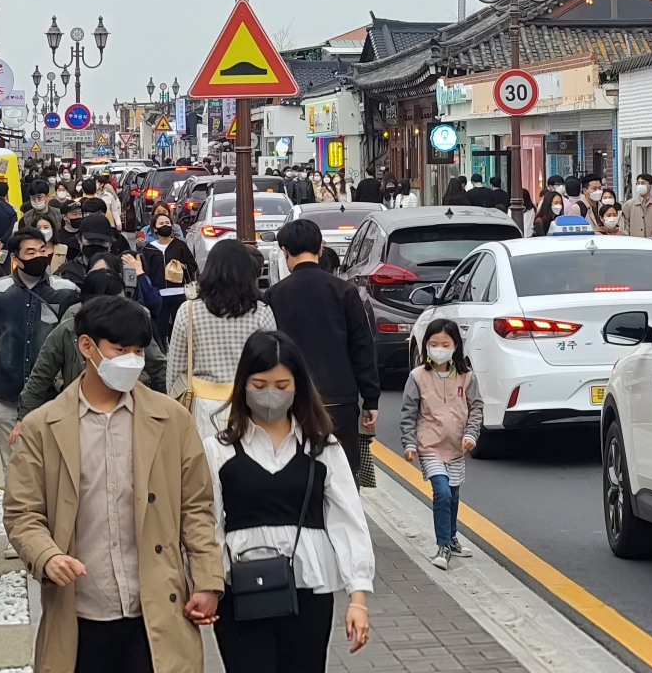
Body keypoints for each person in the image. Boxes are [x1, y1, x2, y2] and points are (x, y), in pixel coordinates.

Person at [3, 295, 225, 673]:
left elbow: (197, 508)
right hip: (80, 611)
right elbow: (22, 512)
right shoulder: (45, 426)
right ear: (86, 346)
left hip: (156, 608)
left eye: (138, 351)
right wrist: (47, 555)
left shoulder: (172, 419)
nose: (131, 361)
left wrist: (207, 580)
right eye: (120, 350)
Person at [204, 331, 374, 670]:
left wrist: (358, 599)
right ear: (243, 385)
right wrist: (208, 584)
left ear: (298, 386)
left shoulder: (322, 448)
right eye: (260, 384)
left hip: (310, 588)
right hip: (240, 590)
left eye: (282, 386)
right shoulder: (218, 448)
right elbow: (207, 524)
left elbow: (348, 521)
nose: (271, 394)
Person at [0, 226, 78, 555]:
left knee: (55, 466)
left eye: (43, 251)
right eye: (30, 252)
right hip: (8, 394)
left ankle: (56, 532)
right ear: (15, 259)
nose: (38, 257)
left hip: (55, 397)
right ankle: (20, 535)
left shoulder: (66, 292)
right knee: (14, 467)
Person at [264, 219, 379, 474]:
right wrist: (370, 398)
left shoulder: (274, 295)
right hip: (340, 399)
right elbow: (362, 346)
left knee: (298, 471)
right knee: (344, 476)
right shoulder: (344, 291)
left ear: (285, 251)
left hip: (293, 399)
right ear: (321, 248)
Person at [17, 255, 166, 424]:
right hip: (79, 411)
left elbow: (159, 367)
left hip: (132, 408)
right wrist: (24, 418)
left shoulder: (135, 323)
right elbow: (41, 375)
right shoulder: (68, 328)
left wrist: (172, 405)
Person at [168, 240, 277, 442]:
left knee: (206, 468)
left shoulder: (189, 311)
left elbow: (175, 368)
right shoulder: (261, 311)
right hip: (249, 403)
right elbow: (272, 364)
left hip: (202, 405)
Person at [399, 319, 481, 569]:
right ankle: (442, 545)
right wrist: (409, 443)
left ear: (455, 346)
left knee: (454, 495)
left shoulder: (466, 377)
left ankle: (452, 538)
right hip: (429, 446)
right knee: (442, 493)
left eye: (445, 344)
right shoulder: (418, 376)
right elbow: (408, 412)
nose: (439, 349)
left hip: (456, 448)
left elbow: (476, 407)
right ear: (426, 346)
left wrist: (471, 434)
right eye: (433, 344)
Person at [141, 211, 198, 346]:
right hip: (159, 295)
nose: (165, 226)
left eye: (167, 223)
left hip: (179, 293)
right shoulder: (149, 249)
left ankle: (178, 352)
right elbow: (145, 271)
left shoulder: (180, 245)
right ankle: (162, 353)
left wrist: (184, 267)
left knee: (180, 328)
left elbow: (192, 265)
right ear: (155, 228)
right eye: (161, 223)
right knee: (160, 328)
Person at [54, 213, 121, 289]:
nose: (96, 245)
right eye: (90, 241)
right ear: (79, 240)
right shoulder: (65, 272)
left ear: (110, 244)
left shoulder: (120, 272)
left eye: (101, 241)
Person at [620, 172, 652, 237]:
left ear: (650, 186)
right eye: (638, 183)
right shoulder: (629, 204)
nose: (640, 186)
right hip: (635, 242)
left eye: (643, 183)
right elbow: (625, 226)